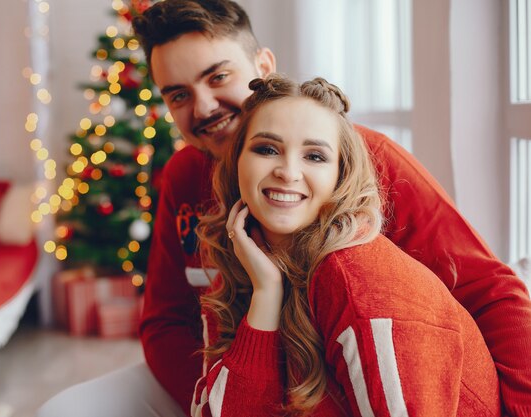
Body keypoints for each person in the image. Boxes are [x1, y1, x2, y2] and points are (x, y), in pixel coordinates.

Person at [38, 1, 531, 416]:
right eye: (179, 95)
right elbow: (165, 321)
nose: (204, 106)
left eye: (219, 76)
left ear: (263, 68)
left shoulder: (366, 162)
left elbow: (492, 290)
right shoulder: (184, 176)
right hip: (229, 372)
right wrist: (229, 395)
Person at [192, 74, 501, 416]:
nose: (288, 171)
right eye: (267, 149)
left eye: (315, 156)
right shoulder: (243, 265)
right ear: (237, 163)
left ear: (341, 175)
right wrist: (266, 294)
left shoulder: (364, 282)